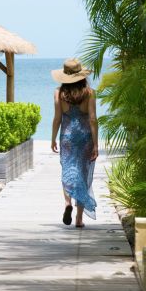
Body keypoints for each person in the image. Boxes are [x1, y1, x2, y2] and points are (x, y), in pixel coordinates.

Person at [50, 58, 98, 228]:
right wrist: (96, 144)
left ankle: (67, 203)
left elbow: (57, 119)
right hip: (85, 137)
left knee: (68, 170)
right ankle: (78, 219)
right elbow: (92, 119)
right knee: (83, 175)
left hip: (67, 137)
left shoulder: (58, 93)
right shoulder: (90, 92)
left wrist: (53, 138)